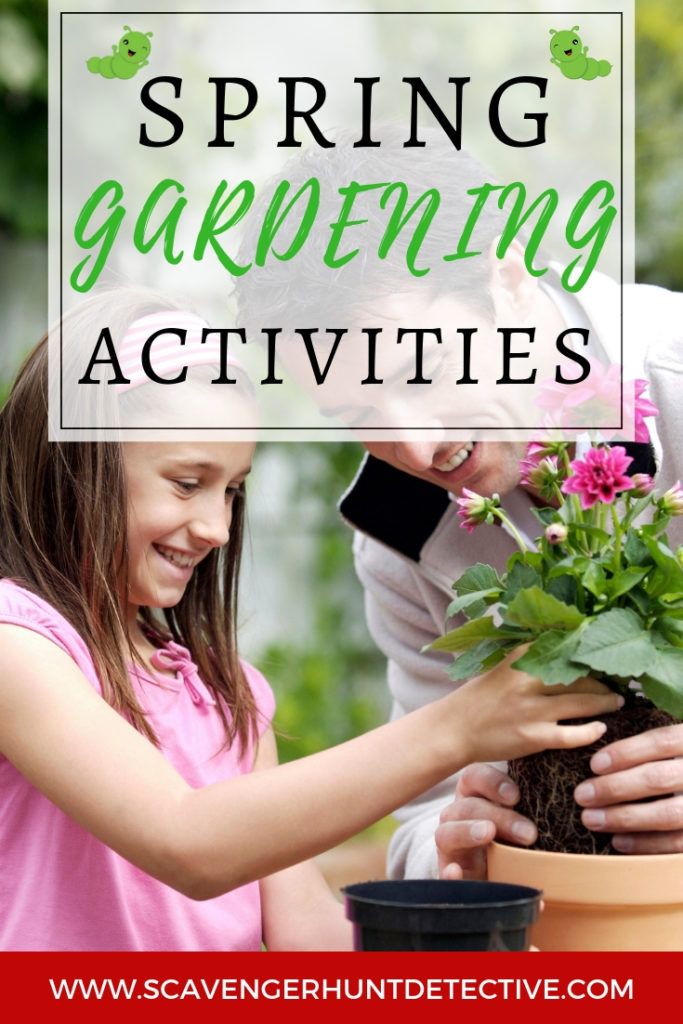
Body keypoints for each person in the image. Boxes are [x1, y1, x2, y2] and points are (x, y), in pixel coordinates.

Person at [0, 286, 622, 951]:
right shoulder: (20, 649)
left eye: (232, 490)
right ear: (76, 466)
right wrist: (460, 725)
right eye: (188, 482)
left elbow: (307, 933)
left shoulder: (225, 696)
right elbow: (186, 841)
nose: (216, 527)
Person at [234, 129, 683, 880]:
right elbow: (423, 806)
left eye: (424, 367)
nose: (415, 448)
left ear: (505, 277)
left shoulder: (671, 369)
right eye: (357, 417)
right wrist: (452, 842)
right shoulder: (395, 533)